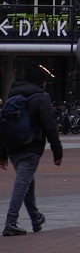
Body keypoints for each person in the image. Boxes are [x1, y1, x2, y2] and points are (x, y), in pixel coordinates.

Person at [0, 67, 62, 236]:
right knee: (22, 184)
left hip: (13, 148)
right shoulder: (41, 97)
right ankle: (11, 222)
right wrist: (57, 151)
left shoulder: (12, 96)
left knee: (27, 182)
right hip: (31, 146)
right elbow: (49, 125)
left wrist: (3, 153)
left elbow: (3, 125)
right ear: (41, 82)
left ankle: (35, 218)